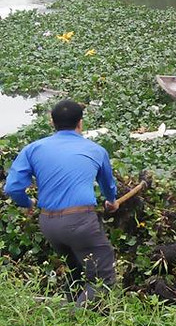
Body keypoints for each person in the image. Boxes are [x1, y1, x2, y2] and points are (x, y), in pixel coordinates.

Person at [3, 100, 119, 306]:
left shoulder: (33, 149)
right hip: (80, 222)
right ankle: (78, 320)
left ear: (51, 122)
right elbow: (108, 186)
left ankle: (68, 311)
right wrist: (112, 202)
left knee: (75, 269)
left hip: (49, 223)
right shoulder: (96, 150)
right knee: (102, 277)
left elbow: (12, 188)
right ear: (80, 124)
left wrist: (28, 203)